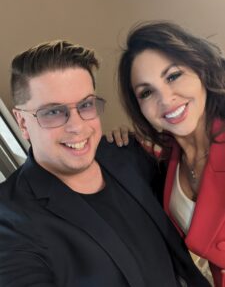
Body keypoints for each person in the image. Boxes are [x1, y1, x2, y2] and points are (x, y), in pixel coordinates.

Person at [0, 40, 210, 287]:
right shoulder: (9, 219)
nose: (78, 127)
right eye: (53, 112)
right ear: (22, 122)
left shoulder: (128, 154)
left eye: (86, 105)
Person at [106, 21, 225, 287]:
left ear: (201, 69)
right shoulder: (168, 160)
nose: (165, 98)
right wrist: (123, 141)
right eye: (146, 92)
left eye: (172, 76)